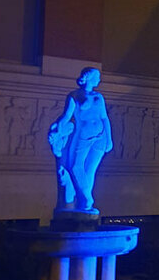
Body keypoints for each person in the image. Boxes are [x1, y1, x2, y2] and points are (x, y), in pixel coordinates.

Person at [48, 68, 113, 214]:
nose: (99, 80)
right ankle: (86, 197)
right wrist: (57, 127)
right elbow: (66, 116)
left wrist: (109, 138)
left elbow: (104, 118)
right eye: (97, 77)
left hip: (100, 137)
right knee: (74, 166)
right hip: (82, 136)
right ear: (89, 78)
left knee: (90, 170)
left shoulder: (99, 97)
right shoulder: (74, 95)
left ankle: (85, 203)